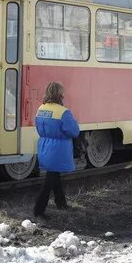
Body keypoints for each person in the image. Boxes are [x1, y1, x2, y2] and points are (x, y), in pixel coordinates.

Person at [33, 82, 80, 218]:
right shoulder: (63, 112)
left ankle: (61, 203)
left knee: (54, 175)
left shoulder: (41, 109)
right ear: (59, 94)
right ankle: (38, 211)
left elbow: (38, 127)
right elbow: (74, 131)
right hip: (58, 149)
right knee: (49, 180)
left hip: (44, 146)